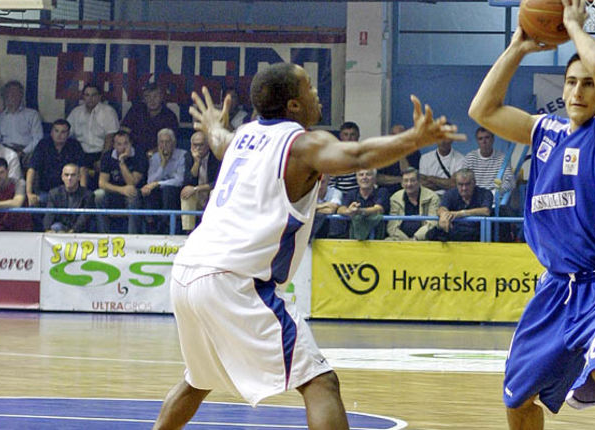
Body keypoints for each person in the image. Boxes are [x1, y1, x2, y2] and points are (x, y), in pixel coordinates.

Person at [153, 63, 461, 430]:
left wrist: (212, 126)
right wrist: (413, 139)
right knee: (320, 382)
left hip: (188, 272)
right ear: (294, 105)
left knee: (197, 381)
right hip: (233, 280)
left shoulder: (245, 135)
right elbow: (359, 156)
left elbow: (220, 142)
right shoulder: (301, 144)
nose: (317, 92)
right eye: (309, 87)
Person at [467, 1, 595, 428]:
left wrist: (572, 25)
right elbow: (483, 110)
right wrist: (517, 46)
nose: (577, 92)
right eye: (571, 83)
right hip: (555, 289)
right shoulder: (544, 131)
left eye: (587, 85)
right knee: (518, 401)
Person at [26, 119, 88, 209]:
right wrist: (29, 193)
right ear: (51, 132)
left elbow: (82, 170)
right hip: (46, 192)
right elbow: (32, 169)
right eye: (56, 131)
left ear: (68, 134)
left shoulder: (75, 145)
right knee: (33, 203)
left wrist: (82, 193)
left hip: (69, 194)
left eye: (63, 132)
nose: (59, 135)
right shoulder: (43, 145)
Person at [97, 130, 148, 234]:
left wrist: (121, 162)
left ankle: (133, 236)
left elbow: (132, 183)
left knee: (133, 194)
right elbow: (102, 183)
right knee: (98, 195)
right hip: (114, 192)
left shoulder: (139, 154)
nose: (123, 147)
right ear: (114, 145)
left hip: (131, 192)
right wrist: (121, 190)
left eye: (126, 143)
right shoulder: (107, 156)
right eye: (119, 144)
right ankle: (103, 235)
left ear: (130, 143)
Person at [425, 168, 492, 242]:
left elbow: (486, 211)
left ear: (474, 183)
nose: (464, 188)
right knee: (430, 234)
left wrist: (460, 213)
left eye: (467, 184)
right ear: (456, 184)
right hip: (455, 232)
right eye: (460, 184)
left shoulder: (485, 193)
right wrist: (444, 215)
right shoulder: (450, 193)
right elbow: (441, 208)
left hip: (477, 232)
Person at [141, 128, 186, 234]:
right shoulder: (155, 158)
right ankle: (151, 226)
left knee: (167, 190)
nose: (164, 145)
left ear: (173, 143)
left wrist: (158, 183)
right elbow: (150, 181)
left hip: (175, 192)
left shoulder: (182, 155)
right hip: (158, 193)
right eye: (161, 142)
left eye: (167, 142)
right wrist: (163, 164)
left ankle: (166, 226)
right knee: (147, 191)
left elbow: (179, 180)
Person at [66, 83, 120, 168]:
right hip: (80, 155)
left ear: (100, 96)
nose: (90, 98)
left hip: (100, 154)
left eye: (94, 95)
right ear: (83, 97)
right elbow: (65, 133)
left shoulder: (108, 112)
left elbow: (110, 138)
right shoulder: (76, 112)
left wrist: (103, 160)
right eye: (87, 95)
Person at [121, 82, 180, 156]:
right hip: (133, 152)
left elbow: (171, 143)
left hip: (158, 154)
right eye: (148, 97)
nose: (152, 100)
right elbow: (124, 131)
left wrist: (153, 153)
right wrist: (127, 148)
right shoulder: (136, 110)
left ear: (161, 97)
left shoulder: (170, 117)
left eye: (155, 96)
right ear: (144, 99)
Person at [0, 80, 43, 167]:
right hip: (5, 151)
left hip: (26, 152)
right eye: (10, 93)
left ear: (21, 95)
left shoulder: (32, 115)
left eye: (16, 93)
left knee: (33, 160)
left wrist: (23, 152)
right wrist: (8, 152)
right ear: (5, 96)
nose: (13, 97)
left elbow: (38, 138)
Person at [180, 131, 220, 234]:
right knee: (186, 194)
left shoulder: (216, 157)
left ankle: (213, 231)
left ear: (208, 145)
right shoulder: (188, 156)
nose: (198, 148)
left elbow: (218, 182)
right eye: (195, 145)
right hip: (196, 197)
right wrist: (197, 162)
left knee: (214, 192)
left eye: (201, 145)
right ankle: (188, 232)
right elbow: (187, 181)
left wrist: (196, 188)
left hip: (210, 194)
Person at [387, 167, 439, 241]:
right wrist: (408, 241)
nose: (409, 184)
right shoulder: (395, 198)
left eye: (412, 180)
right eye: (406, 181)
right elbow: (392, 227)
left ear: (419, 181)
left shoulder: (432, 197)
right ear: (402, 183)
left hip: (425, 238)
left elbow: (432, 223)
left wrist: (416, 238)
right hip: (401, 240)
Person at [336, 168, 390, 240]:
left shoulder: (382, 192)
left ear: (374, 178)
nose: (364, 177)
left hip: (378, 240)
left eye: (368, 174)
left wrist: (359, 211)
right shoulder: (351, 194)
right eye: (361, 175)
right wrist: (349, 211)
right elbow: (340, 209)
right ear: (357, 179)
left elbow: (378, 209)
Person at [463, 126, 515, 199]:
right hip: (474, 199)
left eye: (487, 137)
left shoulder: (502, 158)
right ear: (477, 141)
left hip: (494, 198)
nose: (484, 141)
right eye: (480, 139)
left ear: (493, 139)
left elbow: (510, 182)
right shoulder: (470, 158)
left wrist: (495, 193)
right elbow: (463, 181)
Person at [43, 163, 95, 233]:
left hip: (80, 230)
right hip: (60, 227)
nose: (69, 178)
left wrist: (72, 232)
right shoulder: (54, 193)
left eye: (73, 175)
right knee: (55, 227)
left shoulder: (88, 195)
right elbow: (49, 215)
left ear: (79, 177)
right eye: (66, 175)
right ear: (62, 177)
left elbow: (84, 219)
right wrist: (47, 230)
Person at [376, 124, 421, 195]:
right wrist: (400, 179)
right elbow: (378, 178)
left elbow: (409, 174)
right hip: (386, 192)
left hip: (407, 191)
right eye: (394, 135)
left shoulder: (413, 152)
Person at [0, 157, 32, 231]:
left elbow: (17, 203)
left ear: (8, 171)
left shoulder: (19, 183)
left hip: (20, 228)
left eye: (1, 172)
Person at [327, 121, 361, 193]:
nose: (349, 138)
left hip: (358, 196)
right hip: (339, 196)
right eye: (346, 134)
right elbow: (331, 184)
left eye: (352, 135)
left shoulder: (363, 156)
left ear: (358, 136)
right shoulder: (334, 157)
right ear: (341, 136)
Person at [310, 173, 343, 241]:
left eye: (323, 182)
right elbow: (306, 209)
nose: (320, 186)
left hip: (331, 233)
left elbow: (331, 210)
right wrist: (326, 205)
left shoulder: (336, 192)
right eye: (317, 182)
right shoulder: (309, 193)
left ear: (328, 181)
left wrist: (313, 208)